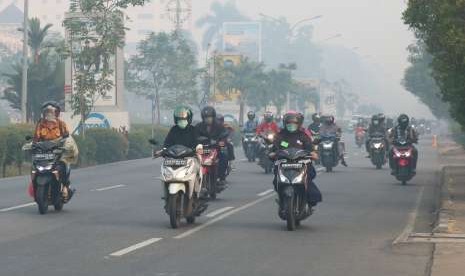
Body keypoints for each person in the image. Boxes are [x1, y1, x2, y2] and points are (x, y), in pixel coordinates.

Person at [272, 111, 322, 210]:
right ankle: (282, 199)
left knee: (308, 179)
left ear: (298, 124)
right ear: (285, 124)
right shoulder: (280, 135)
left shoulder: (303, 136)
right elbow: (274, 147)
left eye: (294, 124)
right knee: (276, 181)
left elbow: (310, 147)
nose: (291, 125)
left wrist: (313, 153)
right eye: (289, 124)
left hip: (302, 163)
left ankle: (309, 201)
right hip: (284, 163)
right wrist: (272, 153)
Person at [33, 101, 76, 200]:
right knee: (34, 167)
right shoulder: (40, 124)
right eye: (47, 111)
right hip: (44, 152)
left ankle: (65, 187)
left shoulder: (61, 124)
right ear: (43, 113)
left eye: (52, 111)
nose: (49, 113)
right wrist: (34, 145)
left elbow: (66, 136)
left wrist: (65, 145)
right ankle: (35, 190)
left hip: (58, 151)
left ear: (57, 113)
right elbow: (36, 138)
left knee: (63, 165)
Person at [195, 106, 229, 186]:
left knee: (224, 156)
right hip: (202, 149)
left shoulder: (219, 126)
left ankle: (221, 177)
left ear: (213, 117)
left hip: (215, 148)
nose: (208, 119)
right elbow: (194, 136)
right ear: (203, 118)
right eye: (206, 117)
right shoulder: (198, 126)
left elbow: (224, 134)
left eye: (210, 117)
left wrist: (221, 142)